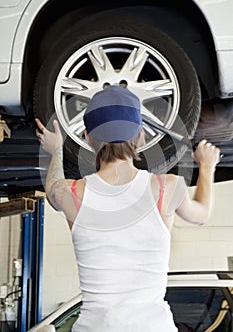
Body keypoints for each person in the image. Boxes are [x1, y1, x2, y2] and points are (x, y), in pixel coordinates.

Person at [35, 85, 220, 332]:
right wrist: (206, 166)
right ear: (140, 136)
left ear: (88, 137)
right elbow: (202, 213)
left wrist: (56, 149)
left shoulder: (71, 193)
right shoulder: (167, 187)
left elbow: (52, 187)